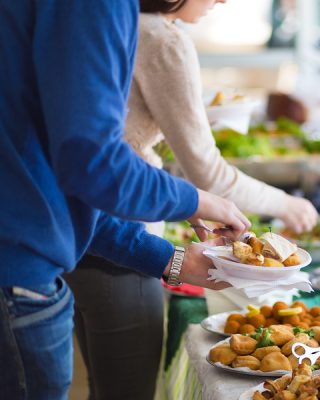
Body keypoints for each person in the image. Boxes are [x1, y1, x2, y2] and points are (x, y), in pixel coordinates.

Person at [66, 0, 318, 398]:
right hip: (119, 240)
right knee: (125, 391)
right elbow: (206, 172)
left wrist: (181, 204)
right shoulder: (163, 39)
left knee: (104, 383)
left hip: (81, 231)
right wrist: (287, 204)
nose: (222, 1)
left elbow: (120, 146)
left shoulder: (111, 23)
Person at [0, 1, 251, 399]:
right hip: (17, 280)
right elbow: (92, 164)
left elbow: (63, 182)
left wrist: (173, 260)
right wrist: (196, 200)